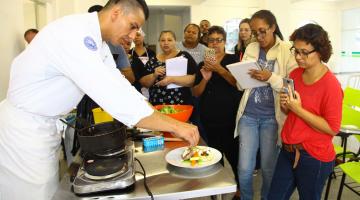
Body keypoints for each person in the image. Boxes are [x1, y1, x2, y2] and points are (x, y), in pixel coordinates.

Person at [0, 1, 199, 200]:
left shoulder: (99, 44)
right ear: (116, 12)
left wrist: (166, 120)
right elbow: (114, 97)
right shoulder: (75, 34)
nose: (133, 36)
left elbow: (121, 87)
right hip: (23, 133)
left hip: (42, 130)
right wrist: (176, 126)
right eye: (133, 26)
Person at [268, 23, 343, 200]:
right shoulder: (295, 75)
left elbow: (332, 128)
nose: (298, 57)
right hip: (288, 150)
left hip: (314, 157)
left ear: (320, 52)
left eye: (304, 52)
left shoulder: (331, 86)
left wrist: (298, 109)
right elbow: (288, 112)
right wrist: (286, 105)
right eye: (296, 51)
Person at [234, 10, 297, 200]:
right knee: (244, 168)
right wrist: (242, 76)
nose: (259, 37)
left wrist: (270, 77)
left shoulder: (287, 49)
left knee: (269, 169)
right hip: (248, 115)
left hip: (272, 117)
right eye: (255, 32)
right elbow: (240, 85)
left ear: (273, 28)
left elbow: (291, 86)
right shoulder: (251, 48)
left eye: (263, 31)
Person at [193, 26, 242, 194]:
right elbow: (196, 92)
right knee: (214, 156)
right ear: (207, 42)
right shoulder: (202, 63)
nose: (215, 44)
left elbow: (238, 83)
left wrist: (218, 68)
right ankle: (217, 190)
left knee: (234, 155)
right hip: (209, 117)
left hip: (230, 116)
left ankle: (239, 190)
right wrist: (205, 79)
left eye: (218, 40)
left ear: (225, 41)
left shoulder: (233, 59)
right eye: (211, 40)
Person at [139, 30, 197, 106]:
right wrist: (154, 75)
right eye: (162, 40)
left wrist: (172, 79)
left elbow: (194, 79)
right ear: (159, 42)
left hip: (180, 103)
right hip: (157, 104)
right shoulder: (153, 59)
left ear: (175, 41)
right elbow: (144, 83)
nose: (166, 43)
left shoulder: (184, 56)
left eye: (169, 40)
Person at [129, 30, 155, 94]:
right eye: (134, 36)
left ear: (143, 37)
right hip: (134, 85)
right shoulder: (129, 53)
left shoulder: (151, 53)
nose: (136, 37)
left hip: (148, 84)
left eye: (138, 35)